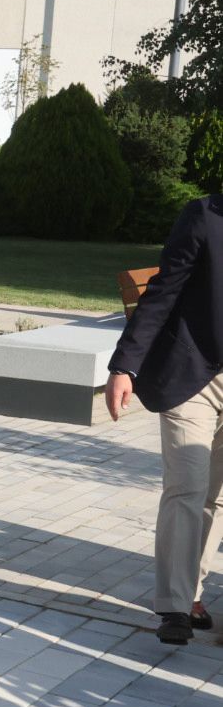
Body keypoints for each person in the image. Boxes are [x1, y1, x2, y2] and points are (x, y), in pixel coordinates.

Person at [106, 194, 223, 646]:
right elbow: (162, 292)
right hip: (191, 375)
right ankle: (174, 606)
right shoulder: (204, 216)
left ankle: (193, 593)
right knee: (187, 487)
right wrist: (124, 367)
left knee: (216, 496)